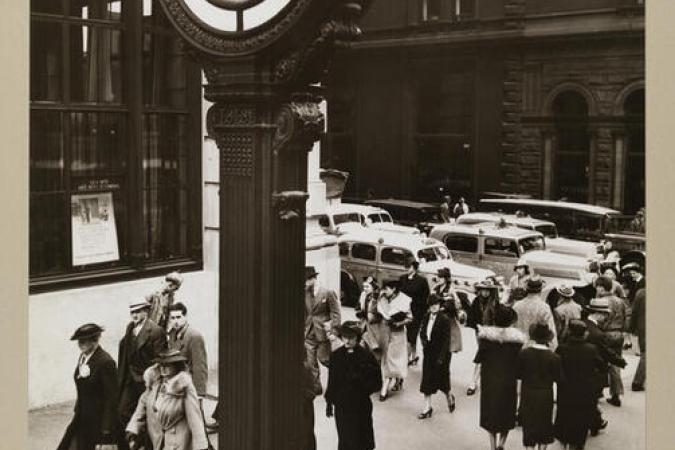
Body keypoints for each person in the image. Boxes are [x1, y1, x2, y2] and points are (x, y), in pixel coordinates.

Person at [125, 349, 209, 450]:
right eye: (161, 365)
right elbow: (141, 408)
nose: (163, 368)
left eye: (168, 365)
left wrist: (201, 446)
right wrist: (133, 430)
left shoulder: (184, 387)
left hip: (178, 443)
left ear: (176, 366)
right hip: (157, 441)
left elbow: (195, 419)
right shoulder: (154, 385)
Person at [57, 324, 122, 450]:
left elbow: (111, 399)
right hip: (82, 416)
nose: (80, 344)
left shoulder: (105, 362)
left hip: (99, 421)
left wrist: (106, 430)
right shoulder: (84, 356)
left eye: (83, 341)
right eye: (79, 341)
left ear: (94, 340)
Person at [325, 321, 382, 450]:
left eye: (351, 338)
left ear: (357, 337)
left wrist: (362, 383)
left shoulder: (366, 357)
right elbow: (332, 380)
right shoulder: (335, 356)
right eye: (344, 337)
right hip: (342, 406)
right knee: (345, 438)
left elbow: (377, 382)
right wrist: (329, 402)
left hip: (360, 405)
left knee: (362, 438)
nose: (347, 341)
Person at [475, 305, 525, 450]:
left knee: (491, 414)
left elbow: (479, 360)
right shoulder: (516, 341)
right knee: (506, 413)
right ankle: (502, 444)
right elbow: (519, 365)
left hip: (490, 381)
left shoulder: (486, 339)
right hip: (508, 382)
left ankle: (492, 446)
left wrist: (474, 381)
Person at [554, 320, 605, 450]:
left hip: (566, 391)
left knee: (565, 418)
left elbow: (555, 368)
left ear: (570, 332)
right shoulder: (591, 350)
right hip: (585, 392)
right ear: (584, 334)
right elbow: (602, 366)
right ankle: (576, 445)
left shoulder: (561, 349)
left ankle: (564, 444)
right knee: (580, 421)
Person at [118, 299, 166, 433]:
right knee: (123, 411)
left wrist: (154, 381)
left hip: (146, 381)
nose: (134, 315)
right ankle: (136, 438)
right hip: (130, 380)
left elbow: (160, 359)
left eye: (138, 311)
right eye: (132, 312)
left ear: (146, 311)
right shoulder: (130, 327)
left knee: (151, 416)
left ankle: (147, 442)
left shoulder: (156, 331)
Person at [581, 301, 626, 435]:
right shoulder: (598, 333)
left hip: (576, 369)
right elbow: (604, 353)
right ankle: (594, 423)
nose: (606, 318)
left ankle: (594, 421)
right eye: (605, 314)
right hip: (592, 372)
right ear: (598, 314)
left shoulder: (581, 323)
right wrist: (619, 361)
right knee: (592, 400)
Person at [517, 323, 563, 450]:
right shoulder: (555, 358)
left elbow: (518, 374)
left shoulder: (523, 354)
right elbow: (559, 379)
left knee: (529, 423)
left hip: (528, 392)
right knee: (544, 424)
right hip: (545, 394)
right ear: (547, 339)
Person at [304, 266, 341, 390]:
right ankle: (316, 386)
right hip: (308, 332)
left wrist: (335, 330)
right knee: (310, 362)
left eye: (307, 280)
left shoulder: (327, 292)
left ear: (313, 278)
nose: (305, 283)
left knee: (325, 359)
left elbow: (335, 313)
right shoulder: (305, 292)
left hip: (323, 332)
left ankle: (339, 379)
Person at [418, 294, 454, 418]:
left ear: (439, 306)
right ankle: (427, 407)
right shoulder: (426, 316)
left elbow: (446, 341)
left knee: (442, 381)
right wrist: (424, 342)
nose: (433, 307)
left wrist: (441, 358)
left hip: (441, 355)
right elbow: (422, 331)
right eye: (431, 305)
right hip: (429, 352)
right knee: (427, 381)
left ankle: (449, 396)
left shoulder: (444, 319)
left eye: (436, 305)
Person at [377, 280, 412, 400]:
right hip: (385, 331)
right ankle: (398, 380)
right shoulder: (382, 298)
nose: (384, 291)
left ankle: (384, 388)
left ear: (394, 289)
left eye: (387, 289)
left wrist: (399, 322)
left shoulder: (404, 300)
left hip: (398, 333)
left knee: (393, 359)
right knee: (387, 358)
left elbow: (410, 318)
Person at [594, 276, 626, 407]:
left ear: (602, 287)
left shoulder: (601, 301)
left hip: (606, 334)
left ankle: (598, 392)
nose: (596, 289)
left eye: (597, 286)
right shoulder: (620, 301)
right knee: (615, 364)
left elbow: (599, 320)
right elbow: (624, 317)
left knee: (601, 363)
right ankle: (616, 394)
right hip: (618, 334)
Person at [466, 280, 500, 396]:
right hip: (480, 332)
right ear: (480, 290)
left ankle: (474, 382)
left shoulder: (495, 303)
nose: (485, 292)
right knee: (483, 355)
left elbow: (498, 318)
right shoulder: (476, 301)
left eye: (488, 290)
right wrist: (478, 326)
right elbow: (472, 316)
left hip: (491, 332)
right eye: (483, 290)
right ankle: (476, 381)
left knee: (483, 356)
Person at [168, 302, 208, 397]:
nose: (175, 321)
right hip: (176, 385)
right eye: (172, 318)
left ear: (185, 317)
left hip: (189, 386)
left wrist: (199, 394)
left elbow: (199, 367)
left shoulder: (194, 336)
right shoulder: (172, 334)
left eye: (178, 317)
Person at [513, 276, 558, 350]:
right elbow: (551, 331)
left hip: (518, 347)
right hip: (536, 349)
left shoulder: (517, 305)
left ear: (527, 289)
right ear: (540, 290)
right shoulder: (544, 307)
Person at [398, 260, 430, 366]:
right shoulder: (402, 278)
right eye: (406, 266)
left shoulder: (422, 281)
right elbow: (398, 294)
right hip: (403, 311)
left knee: (411, 335)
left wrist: (422, 311)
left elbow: (426, 297)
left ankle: (406, 359)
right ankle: (414, 356)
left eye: (409, 266)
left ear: (414, 268)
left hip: (416, 312)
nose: (406, 268)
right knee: (408, 335)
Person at [630, 285, 646, 391]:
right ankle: (637, 381)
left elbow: (634, 312)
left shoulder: (641, 293)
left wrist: (632, 328)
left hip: (642, 327)